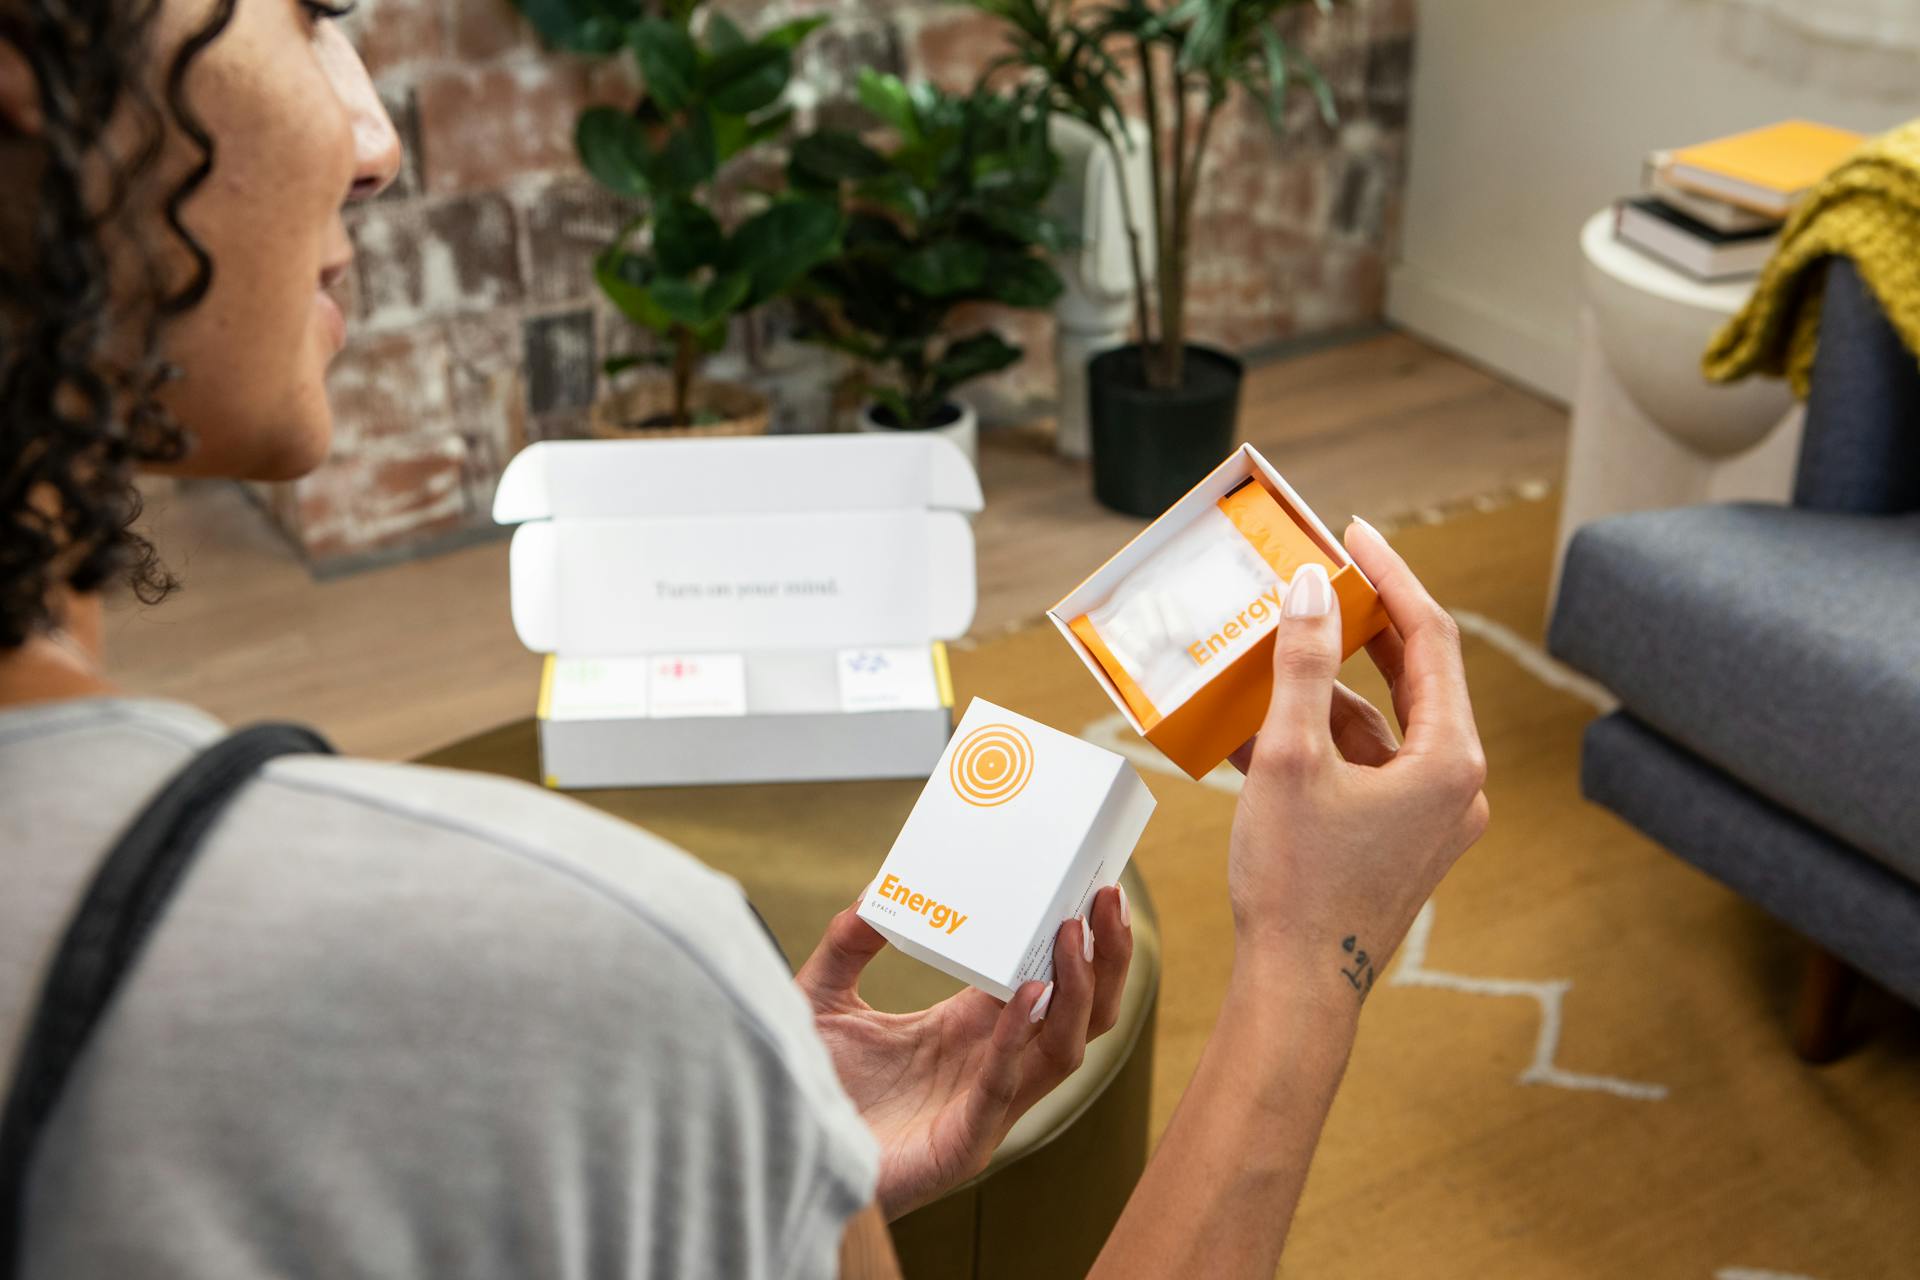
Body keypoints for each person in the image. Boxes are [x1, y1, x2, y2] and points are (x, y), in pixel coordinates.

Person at [0, 1, 1490, 1276]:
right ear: (30, 91)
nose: (375, 136)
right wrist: (1315, 954)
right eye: (306, 7)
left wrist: (748, 1148)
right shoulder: (590, 955)